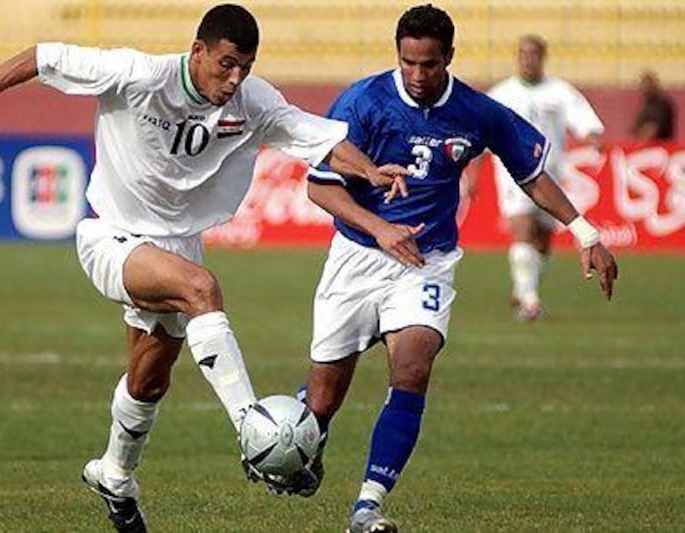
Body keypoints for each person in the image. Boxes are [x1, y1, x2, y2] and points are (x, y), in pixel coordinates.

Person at [0, 5, 409, 532]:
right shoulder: (138, 75)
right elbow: (43, 56)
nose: (235, 77)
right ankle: (253, 429)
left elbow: (320, 139)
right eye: (225, 64)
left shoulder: (253, 99)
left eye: (244, 65)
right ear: (198, 52)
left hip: (178, 246)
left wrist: (371, 171)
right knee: (202, 290)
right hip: (112, 236)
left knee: (148, 382)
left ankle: (114, 474)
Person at [252, 5, 618, 532]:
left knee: (414, 366)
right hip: (357, 257)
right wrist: (378, 227)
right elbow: (319, 184)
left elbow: (531, 174)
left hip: (427, 262)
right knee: (325, 399)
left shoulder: (476, 111)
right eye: (408, 63)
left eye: (428, 64)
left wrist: (585, 232)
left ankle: (368, 506)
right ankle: (291, 435)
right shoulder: (363, 102)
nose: (418, 76)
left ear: (449, 56)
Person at [481, 34, 606, 320]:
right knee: (522, 228)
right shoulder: (502, 93)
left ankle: (523, 291)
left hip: (550, 175)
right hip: (512, 174)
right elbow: (482, 133)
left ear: (542, 57)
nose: (528, 58)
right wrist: (474, 171)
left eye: (534, 53)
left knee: (543, 239)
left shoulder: (560, 92)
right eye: (523, 53)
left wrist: (590, 135)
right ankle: (530, 302)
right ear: (518, 57)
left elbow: (584, 121)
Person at [632, 69, 676, 142]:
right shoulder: (647, 104)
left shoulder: (660, 103)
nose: (643, 88)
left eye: (646, 85)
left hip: (658, 148)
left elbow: (652, 129)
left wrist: (640, 145)